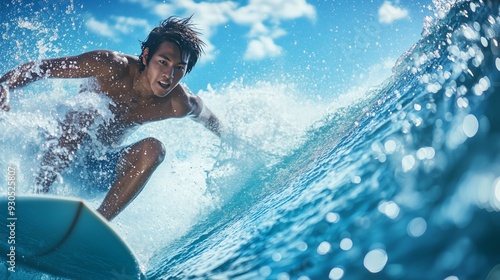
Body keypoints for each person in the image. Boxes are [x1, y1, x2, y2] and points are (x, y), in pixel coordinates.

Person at [0, 16, 222, 221]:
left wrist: (232, 140)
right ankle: (38, 200)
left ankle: (93, 226)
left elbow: (208, 117)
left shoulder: (178, 102)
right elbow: (41, 69)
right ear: (146, 56)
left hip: (97, 169)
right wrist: (5, 86)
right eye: (163, 62)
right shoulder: (110, 65)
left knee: (154, 149)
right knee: (87, 112)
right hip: (50, 151)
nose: (169, 75)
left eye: (179, 68)